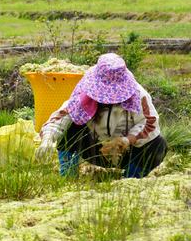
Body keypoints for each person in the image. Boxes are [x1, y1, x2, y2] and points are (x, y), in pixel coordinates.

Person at [36, 53, 167, 178]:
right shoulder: (84, 92)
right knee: (71, 127)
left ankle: (131, 177)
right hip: (95, 149)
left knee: (158, 143)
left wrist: (126, 140)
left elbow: (150, 124)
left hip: (126, 153)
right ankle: (68, 173)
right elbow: (62, 116)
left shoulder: (138, 95)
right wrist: (48, 139)